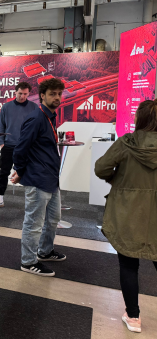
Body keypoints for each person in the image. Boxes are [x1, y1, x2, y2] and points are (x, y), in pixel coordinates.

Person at [94, 99, 157, 334]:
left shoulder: (126, 143)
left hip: (128, 211)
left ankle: (133, 316)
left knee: (129, 265)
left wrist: (116, 179)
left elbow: (101, 168)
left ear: (139, 118)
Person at [12, 78, 66, 277]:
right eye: (52, 94)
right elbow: (20, 149)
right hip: (38, 179)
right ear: (42, 95)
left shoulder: (49, 116)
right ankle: (28, 261)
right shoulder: (36, 118)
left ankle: (45, 251)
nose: (57, 97)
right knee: (34, 223)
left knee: (53, 219)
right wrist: (21, 171)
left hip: (51, 179)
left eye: (59, 94)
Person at [0, 82, 37, 209]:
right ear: (15, 92)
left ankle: (32, 202)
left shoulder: (34, 107)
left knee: (30, 173)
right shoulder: (6, 107)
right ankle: (0, 199)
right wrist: (1, 143)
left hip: (27, 147)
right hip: (8, 145)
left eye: (25, 94)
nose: (22, 96)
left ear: (28, 94)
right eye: (20, 93)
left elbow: (36, 127)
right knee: (3, 172)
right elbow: (1, 125)